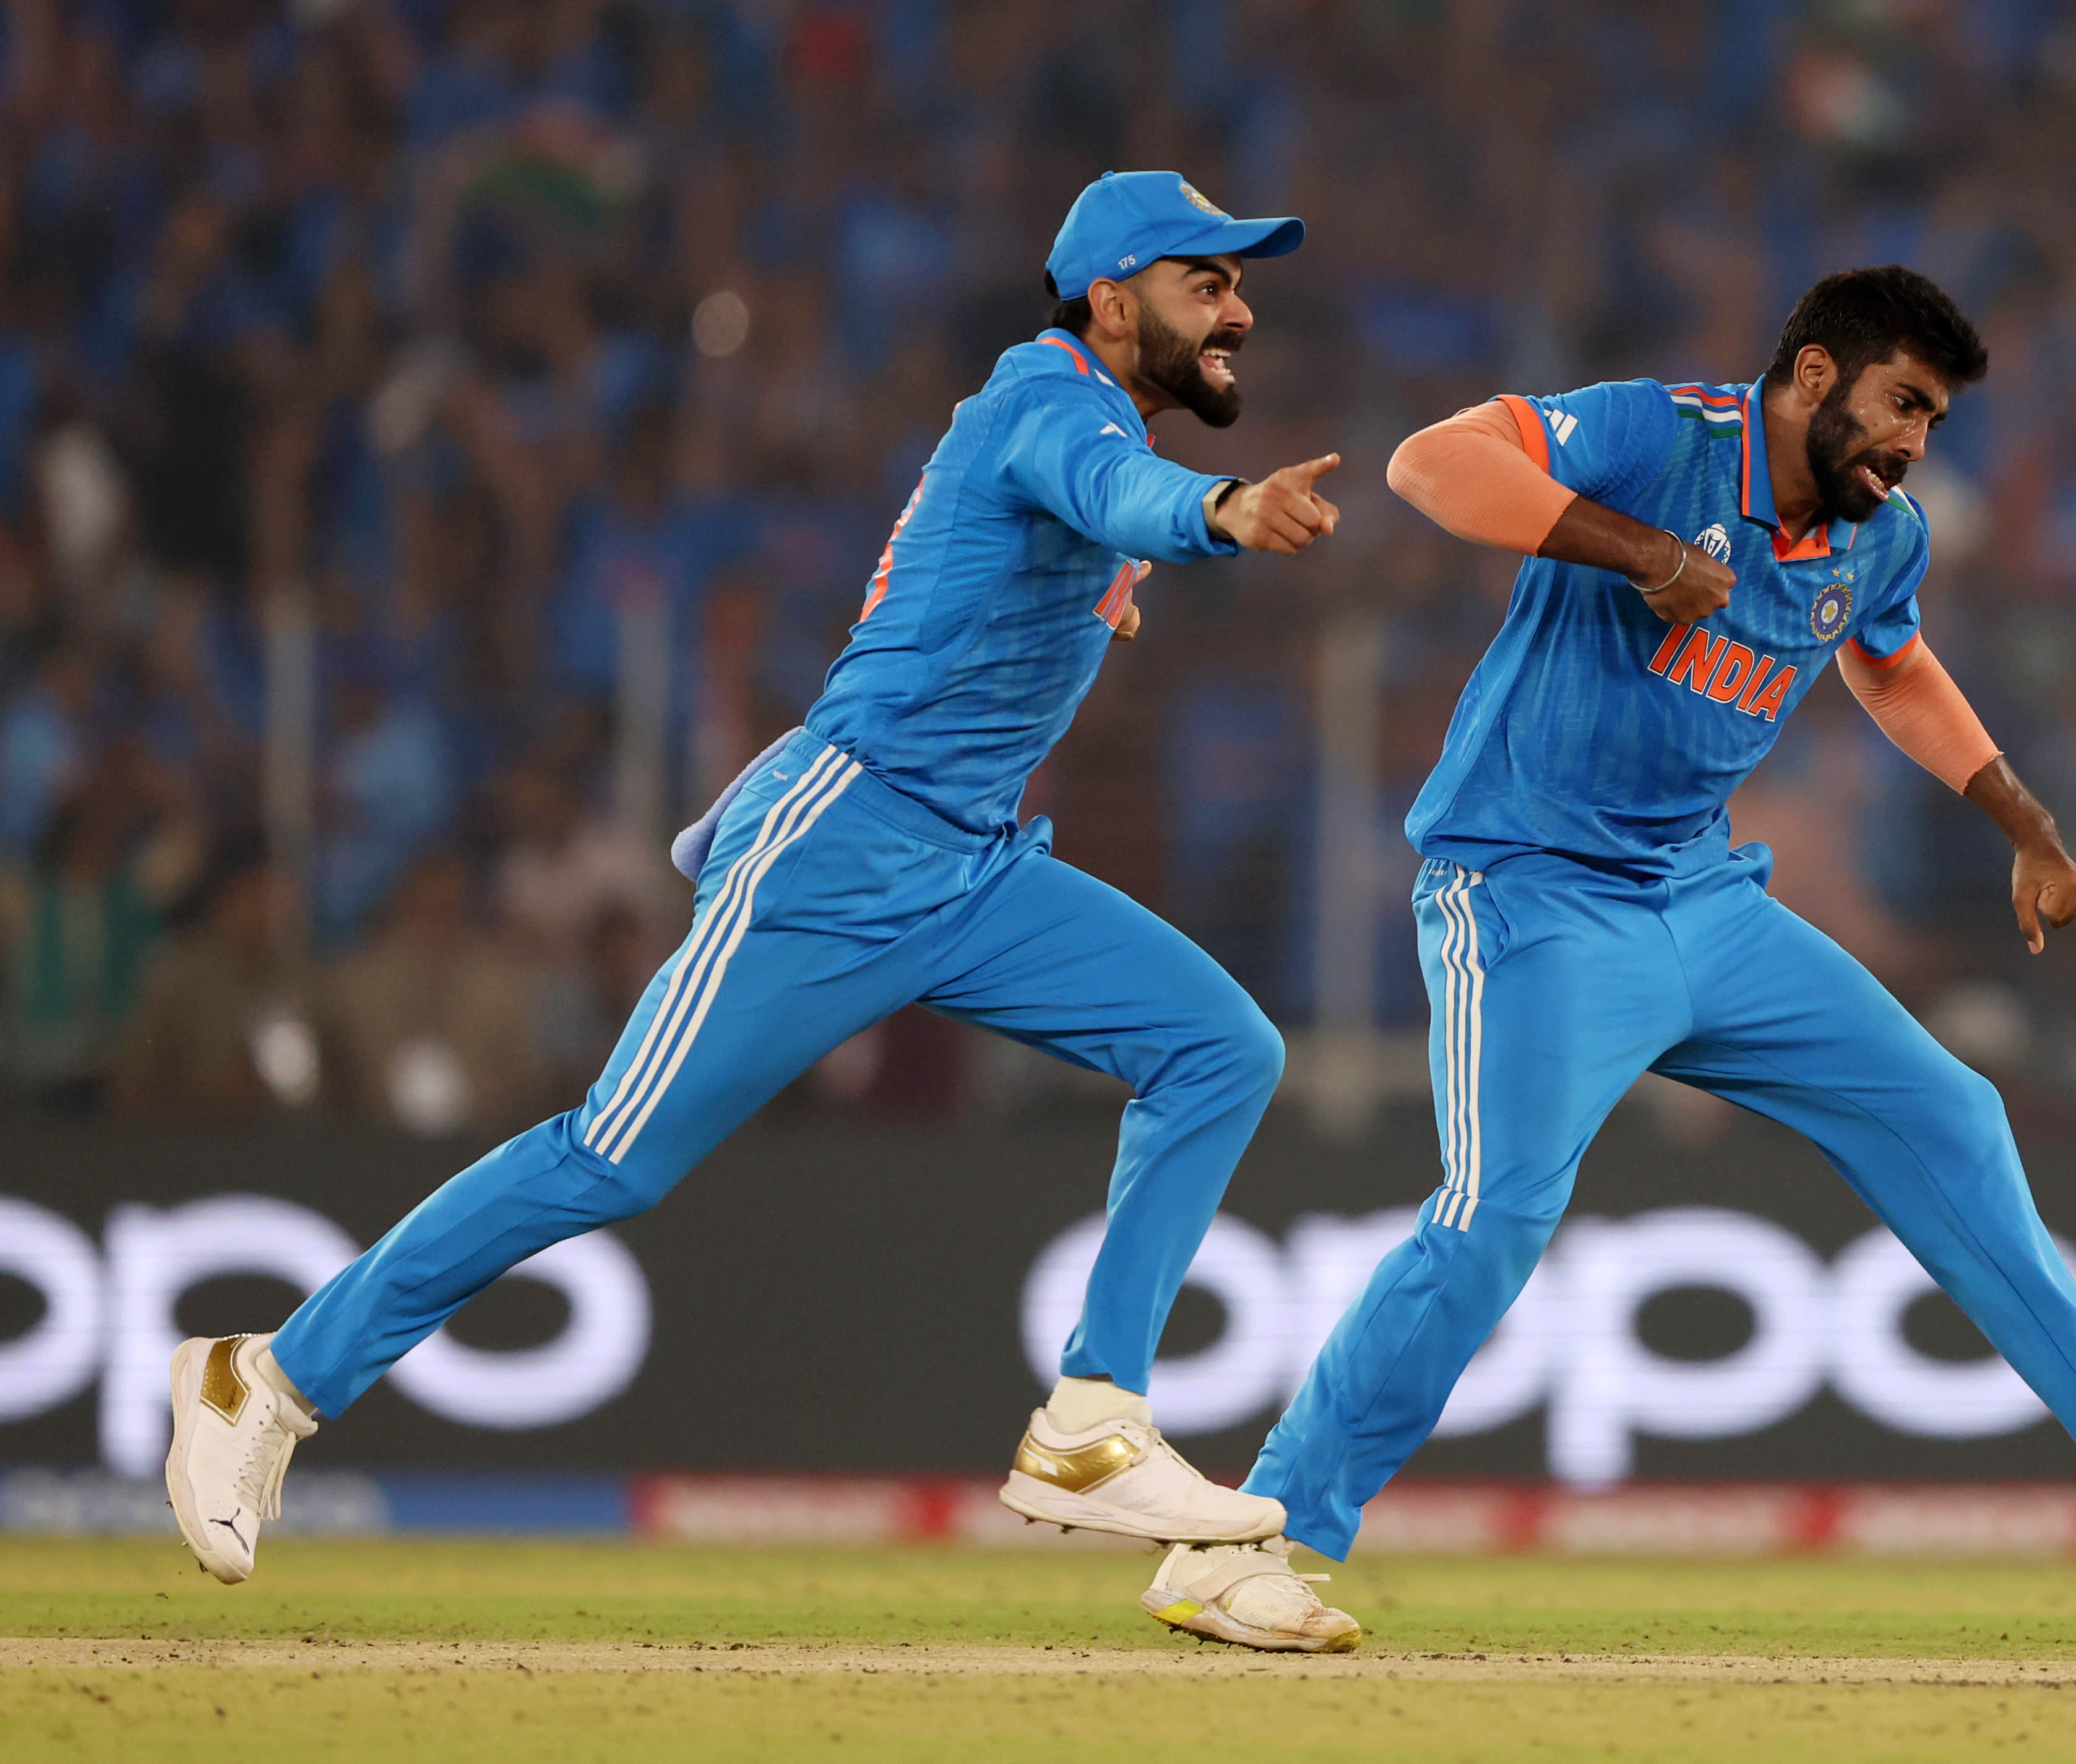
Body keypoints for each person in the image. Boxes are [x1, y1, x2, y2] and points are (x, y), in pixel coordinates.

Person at [165, 171, 1347, 1583]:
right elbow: (1119, 490)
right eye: (1205, 284)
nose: (1237, 310)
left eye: (1237, 284)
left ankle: (1094, 1418)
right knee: (611, 1157)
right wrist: (1221, 508)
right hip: (841, 850)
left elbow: (1079, 521)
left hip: (971, 864)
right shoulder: (1047, 399)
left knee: (1220, 1049)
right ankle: (268, 1377)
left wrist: (1119, 569)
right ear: (1109, 299)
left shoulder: (1082, 423)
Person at [1137, 267, 2076, 1653]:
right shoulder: (1661, 436)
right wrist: (1641, 551)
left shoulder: (1882, 537)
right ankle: (1248, 1543)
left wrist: (2024, 823)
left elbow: (1890, 666)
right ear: (1813, 374)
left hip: (1702, 899)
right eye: (1900, 403)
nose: (1913, 442)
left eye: (1933, 421)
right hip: (1529, 890)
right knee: (1495, 1216)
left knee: (1948, 1112)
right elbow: (1429, 466)